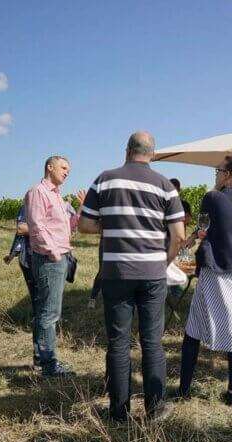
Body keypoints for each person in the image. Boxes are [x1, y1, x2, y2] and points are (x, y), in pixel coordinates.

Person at [79, 131, 185, 422]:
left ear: (127, 150)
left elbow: (85, 225)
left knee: (118, 341)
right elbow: (179, 235)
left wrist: (111, 224)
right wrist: (164, 262)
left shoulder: (105, 179)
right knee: (152, 341)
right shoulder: (165, 186)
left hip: (116, 271)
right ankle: (155, 408)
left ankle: (119, 412)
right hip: (152, 272)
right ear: (152, 153)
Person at [178, 157, 232, 406]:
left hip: (217, 269)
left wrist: (192, 239)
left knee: (193, 330)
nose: (215, 175)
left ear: (228, 175)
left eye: (218, 171)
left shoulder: (213, 197)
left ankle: (184, 389)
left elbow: (204, 228)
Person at [25, 156, 85, 377]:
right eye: (63, 167)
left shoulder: (58, 197)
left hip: (59, 256)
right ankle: (48, 365)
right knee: (49, 314)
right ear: (49, 167)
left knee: (47, 311)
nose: (67, 172)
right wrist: (55, 253)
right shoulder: (38, 192)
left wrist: (79, 210)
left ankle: (41, 360)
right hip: (50, 259)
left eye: (69, 169)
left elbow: (67, 228)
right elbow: (36, 227)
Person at [3, 205, 39, 367]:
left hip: (47, 261)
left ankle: (42, 356)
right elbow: (21, 229)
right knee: (41, 309)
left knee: (46, 309)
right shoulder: (29, 205)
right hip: (31, 260)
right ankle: (41, 358)